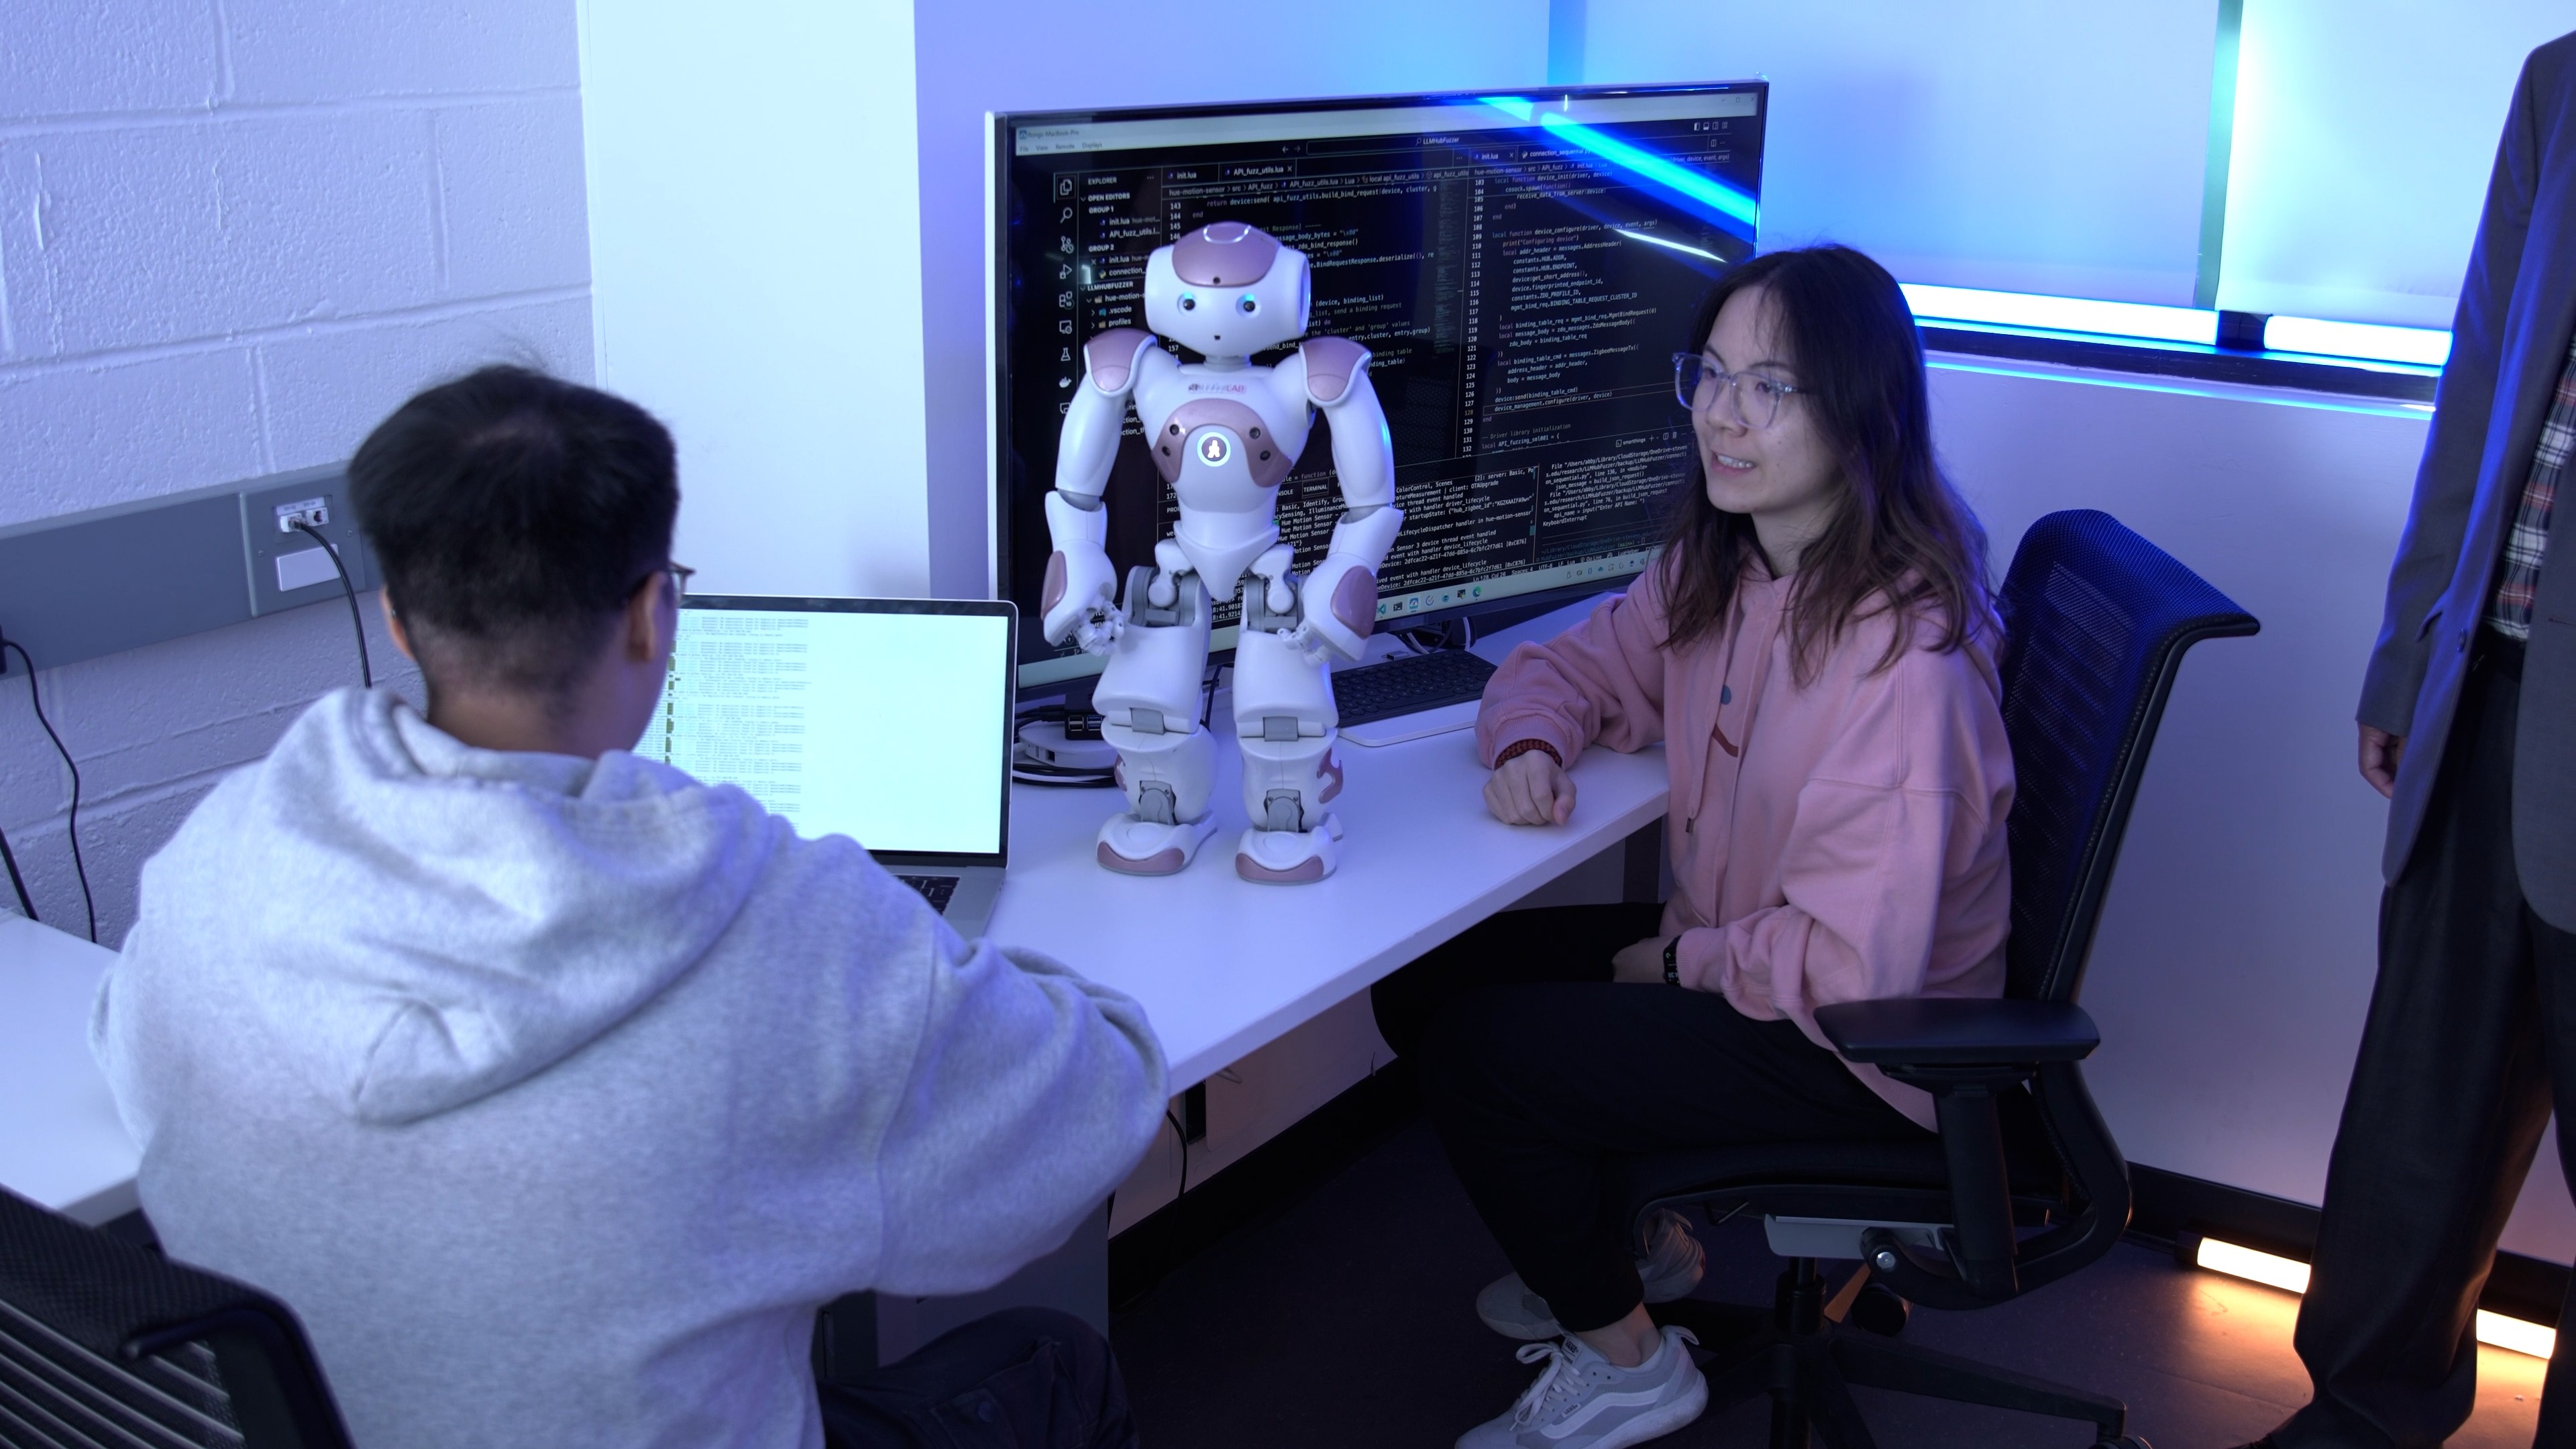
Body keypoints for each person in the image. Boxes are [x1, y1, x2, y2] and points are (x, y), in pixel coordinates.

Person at [91, 367, 1168, 1449]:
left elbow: (130, 1067)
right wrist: (915, 968)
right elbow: (1094, 1117)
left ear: (401, 625)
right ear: (656, 617)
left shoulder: (225, 849)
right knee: (1053, 1360)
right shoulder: (786, 925)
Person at [1371, 245, 2015, 1449]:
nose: (1722, 416)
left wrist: (1672, 969)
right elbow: (1573, 667)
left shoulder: (1905, 663)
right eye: (1710, 375)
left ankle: (1627, 1365)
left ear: (1862, 410)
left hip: (1864, 1049)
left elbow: (1848, 971)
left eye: (1770, 387)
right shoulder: (1729, 562)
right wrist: (1531, 743)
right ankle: (1633, 1253)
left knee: (1479, 1052)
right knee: (1426, 982)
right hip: (1744, 961)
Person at [2239, 33, 2576, 1449]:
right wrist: (2409, 643)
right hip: (2497, 682)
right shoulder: (2565, 79)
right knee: (2417, 1125)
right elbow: (2487, 367)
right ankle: (2365, 1418)